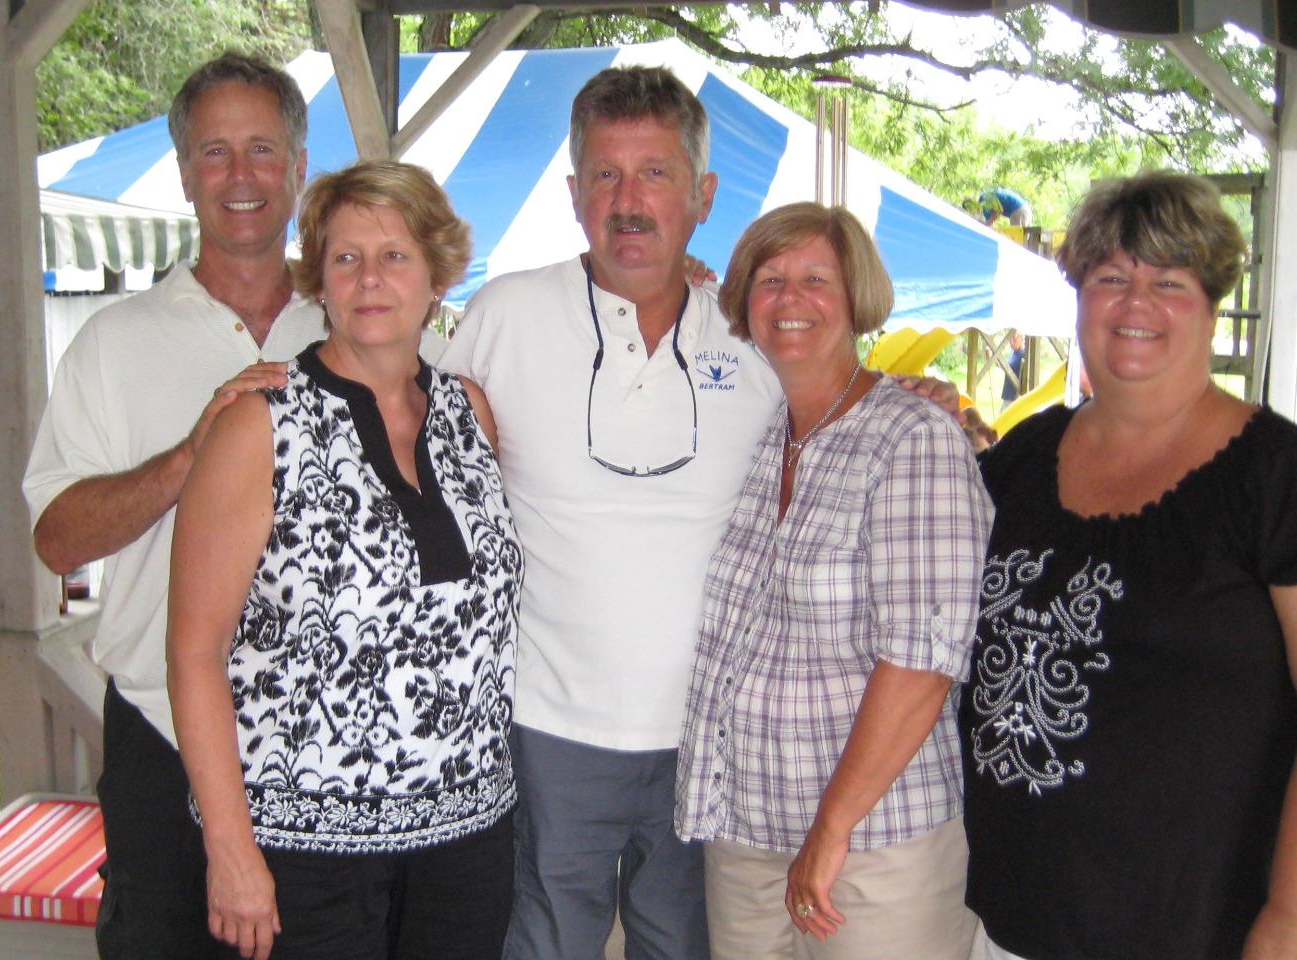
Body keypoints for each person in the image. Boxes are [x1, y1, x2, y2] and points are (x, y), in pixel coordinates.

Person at [21, 53, 454, 958]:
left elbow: (479, 414)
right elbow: (57, 540)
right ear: (183, 171)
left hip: (334, 754)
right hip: (163, 732)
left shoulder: (363, 310)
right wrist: (194, 454)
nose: (241, 176)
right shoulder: (113, 342)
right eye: (214, 152)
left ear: (299, 166)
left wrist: (674, 282)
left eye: (262, 149)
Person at [959, 171, 1297, 960]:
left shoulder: (1287, 485)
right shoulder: (1020, 459)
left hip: (1197, 931)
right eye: (1110, 279)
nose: (1134, 306)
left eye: (1168, 282)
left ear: (1212, 302)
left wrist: (1295, 919)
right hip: (1010, 921)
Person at [446, 65, 781, 959]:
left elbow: (839, 437)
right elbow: (417, 456)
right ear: (572, 194)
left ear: (703, 195)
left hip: (709, 738)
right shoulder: (503, 316)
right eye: (604, 174)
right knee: (543, 944)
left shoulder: (754, 340)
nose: (627, 202)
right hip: (546, 729)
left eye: (656, 174)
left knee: (683, 946)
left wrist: (921, 398)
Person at [167, 160, 520, 960]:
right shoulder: (258, 424)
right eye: (345, 257)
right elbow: (193, 652)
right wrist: (230, 852)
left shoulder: (472, 414)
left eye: (394, 255)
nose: (370, 279)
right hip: (301, 852)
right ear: (318, 279)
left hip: (465, 842)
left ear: (436, 274)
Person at [675, 202, 992, 959]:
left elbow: (922, 659)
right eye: (770, 280)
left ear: (856, 300)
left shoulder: (912, 438)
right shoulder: (761, 434)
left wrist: (831, 828)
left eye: (816, 279)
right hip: (746, 825)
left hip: (873, 840)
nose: (789, 300)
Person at [1000, 331, 1025, 407]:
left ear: (1021, 339)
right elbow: (1006, 367)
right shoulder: (1014, 353)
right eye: (1010, 340)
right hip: (1008, 394)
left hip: (1014, 396)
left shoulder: (1024, 354)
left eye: (1014, 339)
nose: (1011, 342)